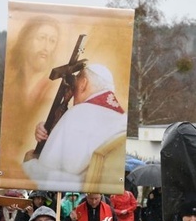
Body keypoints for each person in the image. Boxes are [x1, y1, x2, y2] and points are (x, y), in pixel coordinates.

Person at [23, 63, 127, 192]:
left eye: (76, 83)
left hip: (72, 189)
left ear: (83, 83)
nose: (72, 90)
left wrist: (29, 162)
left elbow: (49, 167)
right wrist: (50, 129)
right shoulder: (123, 118)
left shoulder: (78, 114)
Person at [7, 15, 62, 109]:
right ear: (26, 40)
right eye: (41, 38)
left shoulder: (52, 90)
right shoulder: (11, 88)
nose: (46, 47)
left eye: (52, 41)